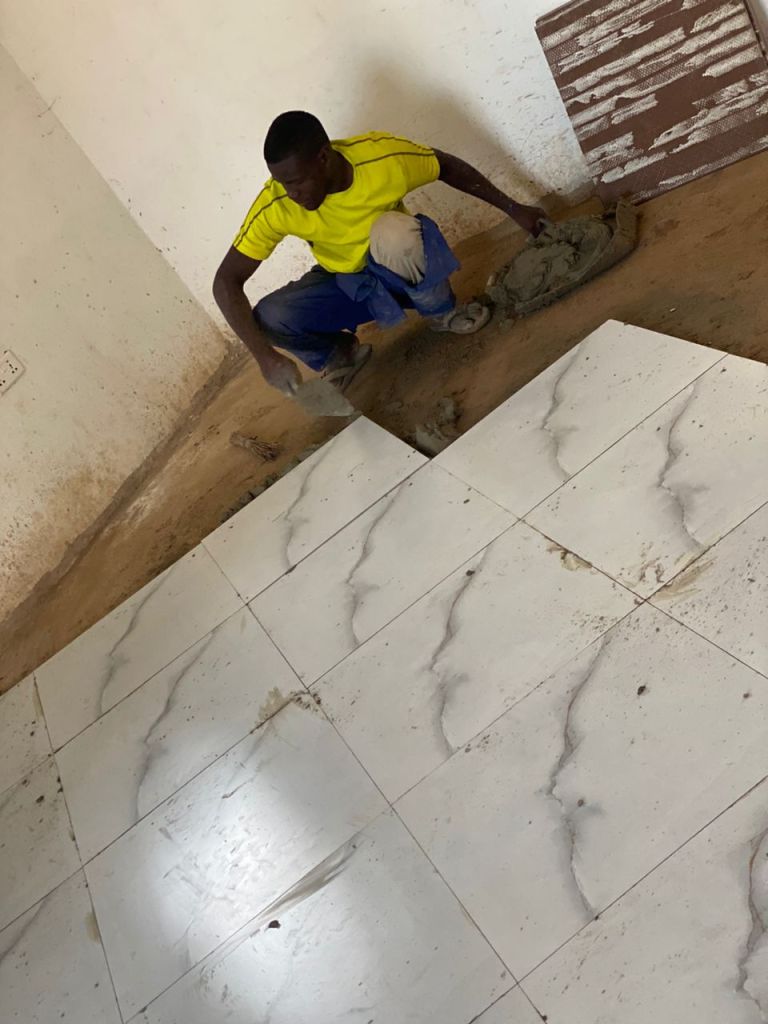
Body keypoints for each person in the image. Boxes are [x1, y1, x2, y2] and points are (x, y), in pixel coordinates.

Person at [213, 111, 545, 395]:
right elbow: (226, 281)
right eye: (283, 183)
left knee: (394, 231)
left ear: (324, 158)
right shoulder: (277, 203)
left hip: (398, 271)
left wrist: (515, 209)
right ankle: (340, 354)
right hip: (349, 285)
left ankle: (443, 312)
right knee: (269, 316)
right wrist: (265, 357)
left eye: (297, 181)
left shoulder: (380, 158)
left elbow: (445, 166)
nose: (292, 193)